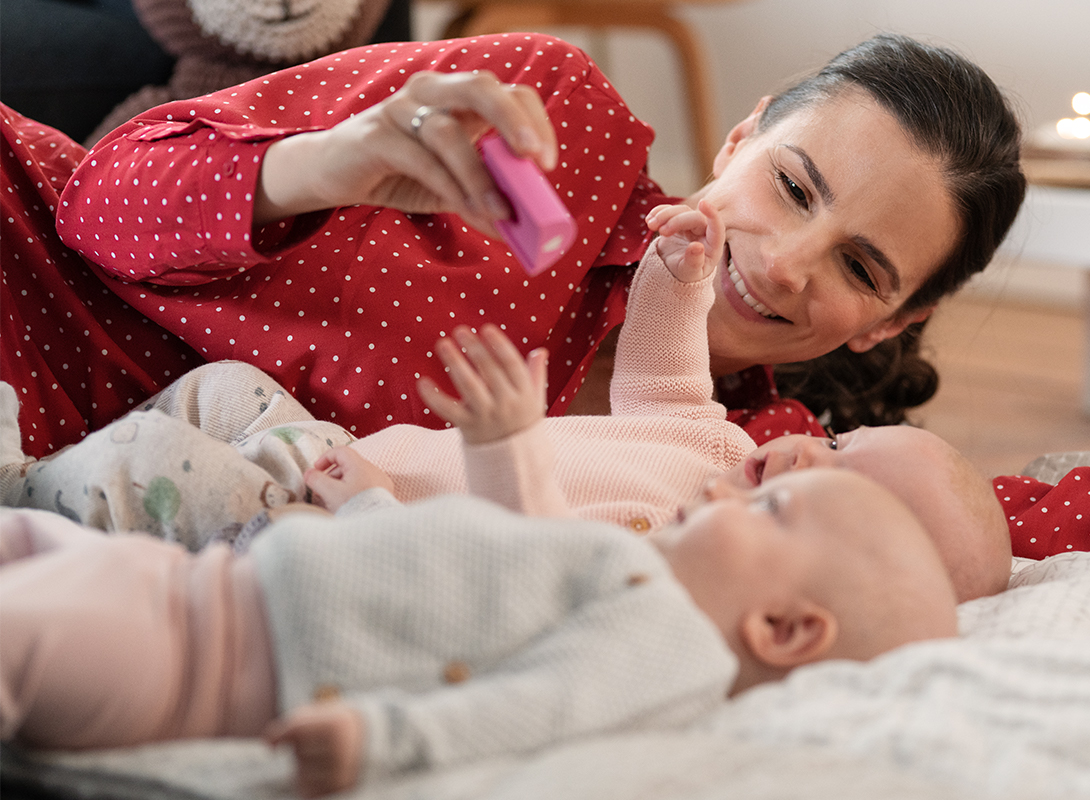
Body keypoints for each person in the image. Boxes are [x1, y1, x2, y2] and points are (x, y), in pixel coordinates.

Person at [1, 31, 1026, 461]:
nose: (790, 260)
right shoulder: (547, 115)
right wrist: (333, 166)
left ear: (892, 321)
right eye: (793, 185)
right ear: (741, 139)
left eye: (861, 268)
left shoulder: (732, 466)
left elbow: (1014, 515)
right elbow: (97, 204)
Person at [5, 202, 1008, 603]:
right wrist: (679, 270)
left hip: (355, 529)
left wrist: (507, 446)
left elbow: (529, 562)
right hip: (328, 446)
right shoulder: (707, 442)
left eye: (834, 489)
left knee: (159, 478)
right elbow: (662, 371)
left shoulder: (685, 555)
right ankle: (43, 479)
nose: (805, 454)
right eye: (839, 442)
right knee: (226, 394)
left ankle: (30, 503)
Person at [0, 418, 960, 798]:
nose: (745, 490)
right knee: (28, 553)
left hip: (203, 659)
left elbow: (526, 709)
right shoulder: (625, 563)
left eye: (771, 514)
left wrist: (385, 741)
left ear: (782, 628)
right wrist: (373, 504)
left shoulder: (670, 650)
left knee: (23, 635)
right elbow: (451, 567)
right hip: (198, 585)